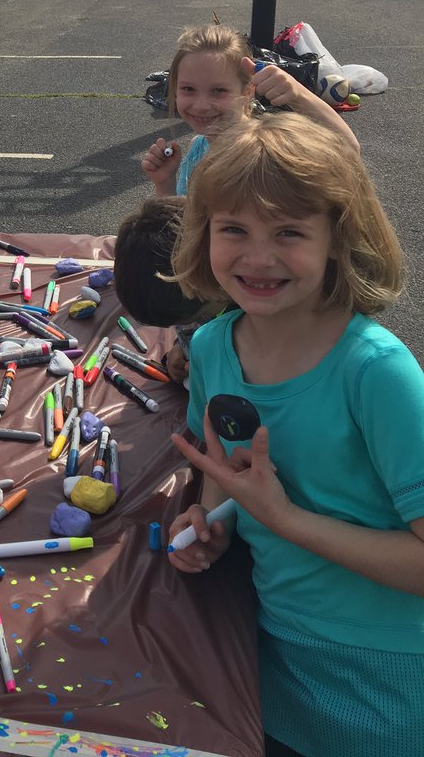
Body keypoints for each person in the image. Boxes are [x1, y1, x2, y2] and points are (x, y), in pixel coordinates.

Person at [166, 112, 424, 757]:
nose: (258, 257)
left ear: (338, 237)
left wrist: (283, 518)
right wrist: (208, 523)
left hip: (386, 676)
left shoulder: (377, 373)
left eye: (288, 232)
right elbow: (220, 474)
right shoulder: (213, 347)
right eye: (234, 230)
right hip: (269, 648)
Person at [142, 23, 359, 197]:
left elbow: (347, 151)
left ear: (248, 91)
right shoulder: (199, 147)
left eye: (218, 90)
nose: (200, 105)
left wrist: (299, 94)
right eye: (188, 89)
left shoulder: (265, 149)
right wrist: (165, 184)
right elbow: (183, 226)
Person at [113, 195, 217, 382]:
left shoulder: (254, 309)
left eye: (200, 317)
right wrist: (179, 348)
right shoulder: (197, 296)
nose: (186, 327)